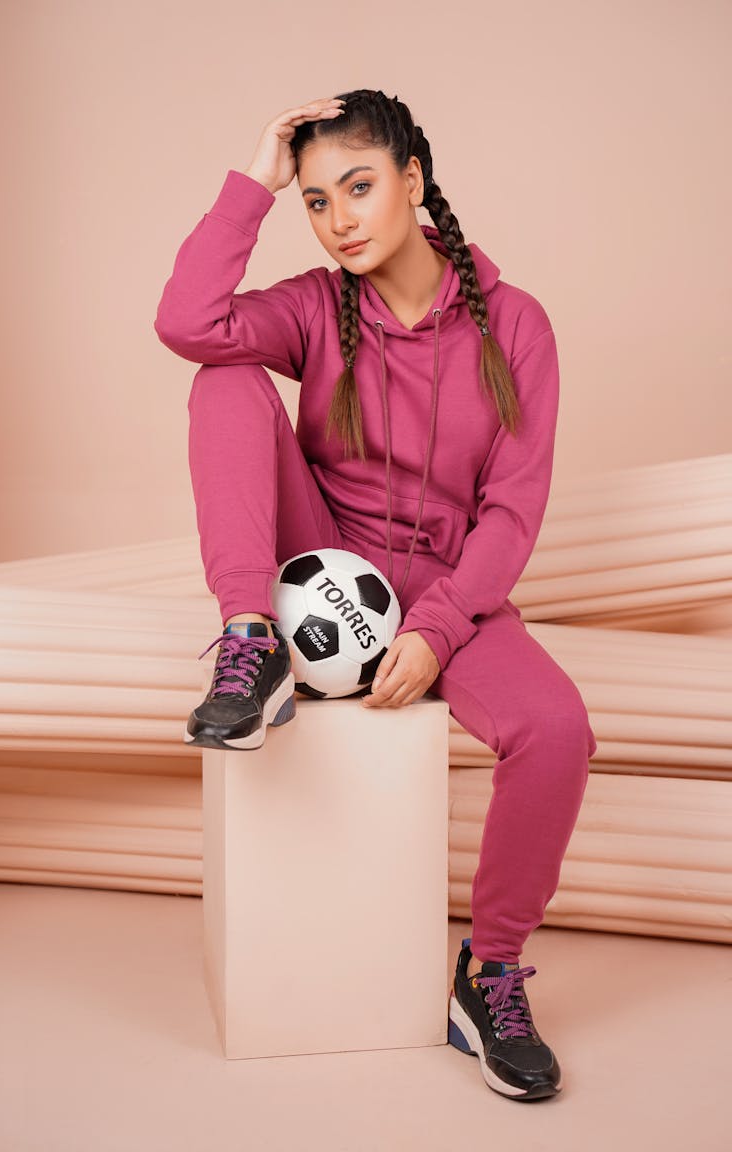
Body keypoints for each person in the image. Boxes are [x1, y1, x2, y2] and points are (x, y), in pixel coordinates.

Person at [154, 88, 598, 1102]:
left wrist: (438, 631)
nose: (340, 218)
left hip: (452, 593)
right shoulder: (315, 305)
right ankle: (249, 644)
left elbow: (511, 516)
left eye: (358, 187)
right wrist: (253, 182)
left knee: (558, 728)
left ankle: (489, 978)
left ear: (412, 182)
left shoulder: (517, 327)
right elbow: (187, 322)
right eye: (316, 200)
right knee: (222, 376)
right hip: (322, 563)